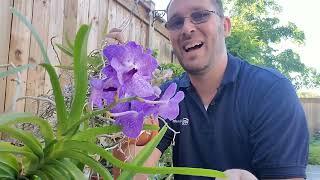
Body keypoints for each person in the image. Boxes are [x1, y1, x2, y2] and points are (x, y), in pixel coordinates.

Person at [107, 0, 309, 179]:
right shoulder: (164, 98)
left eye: (200, 15)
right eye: (176, 22)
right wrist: (126, 105)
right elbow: (132, 171)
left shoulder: (271, 92)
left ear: (225, 26)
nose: (187, 28)